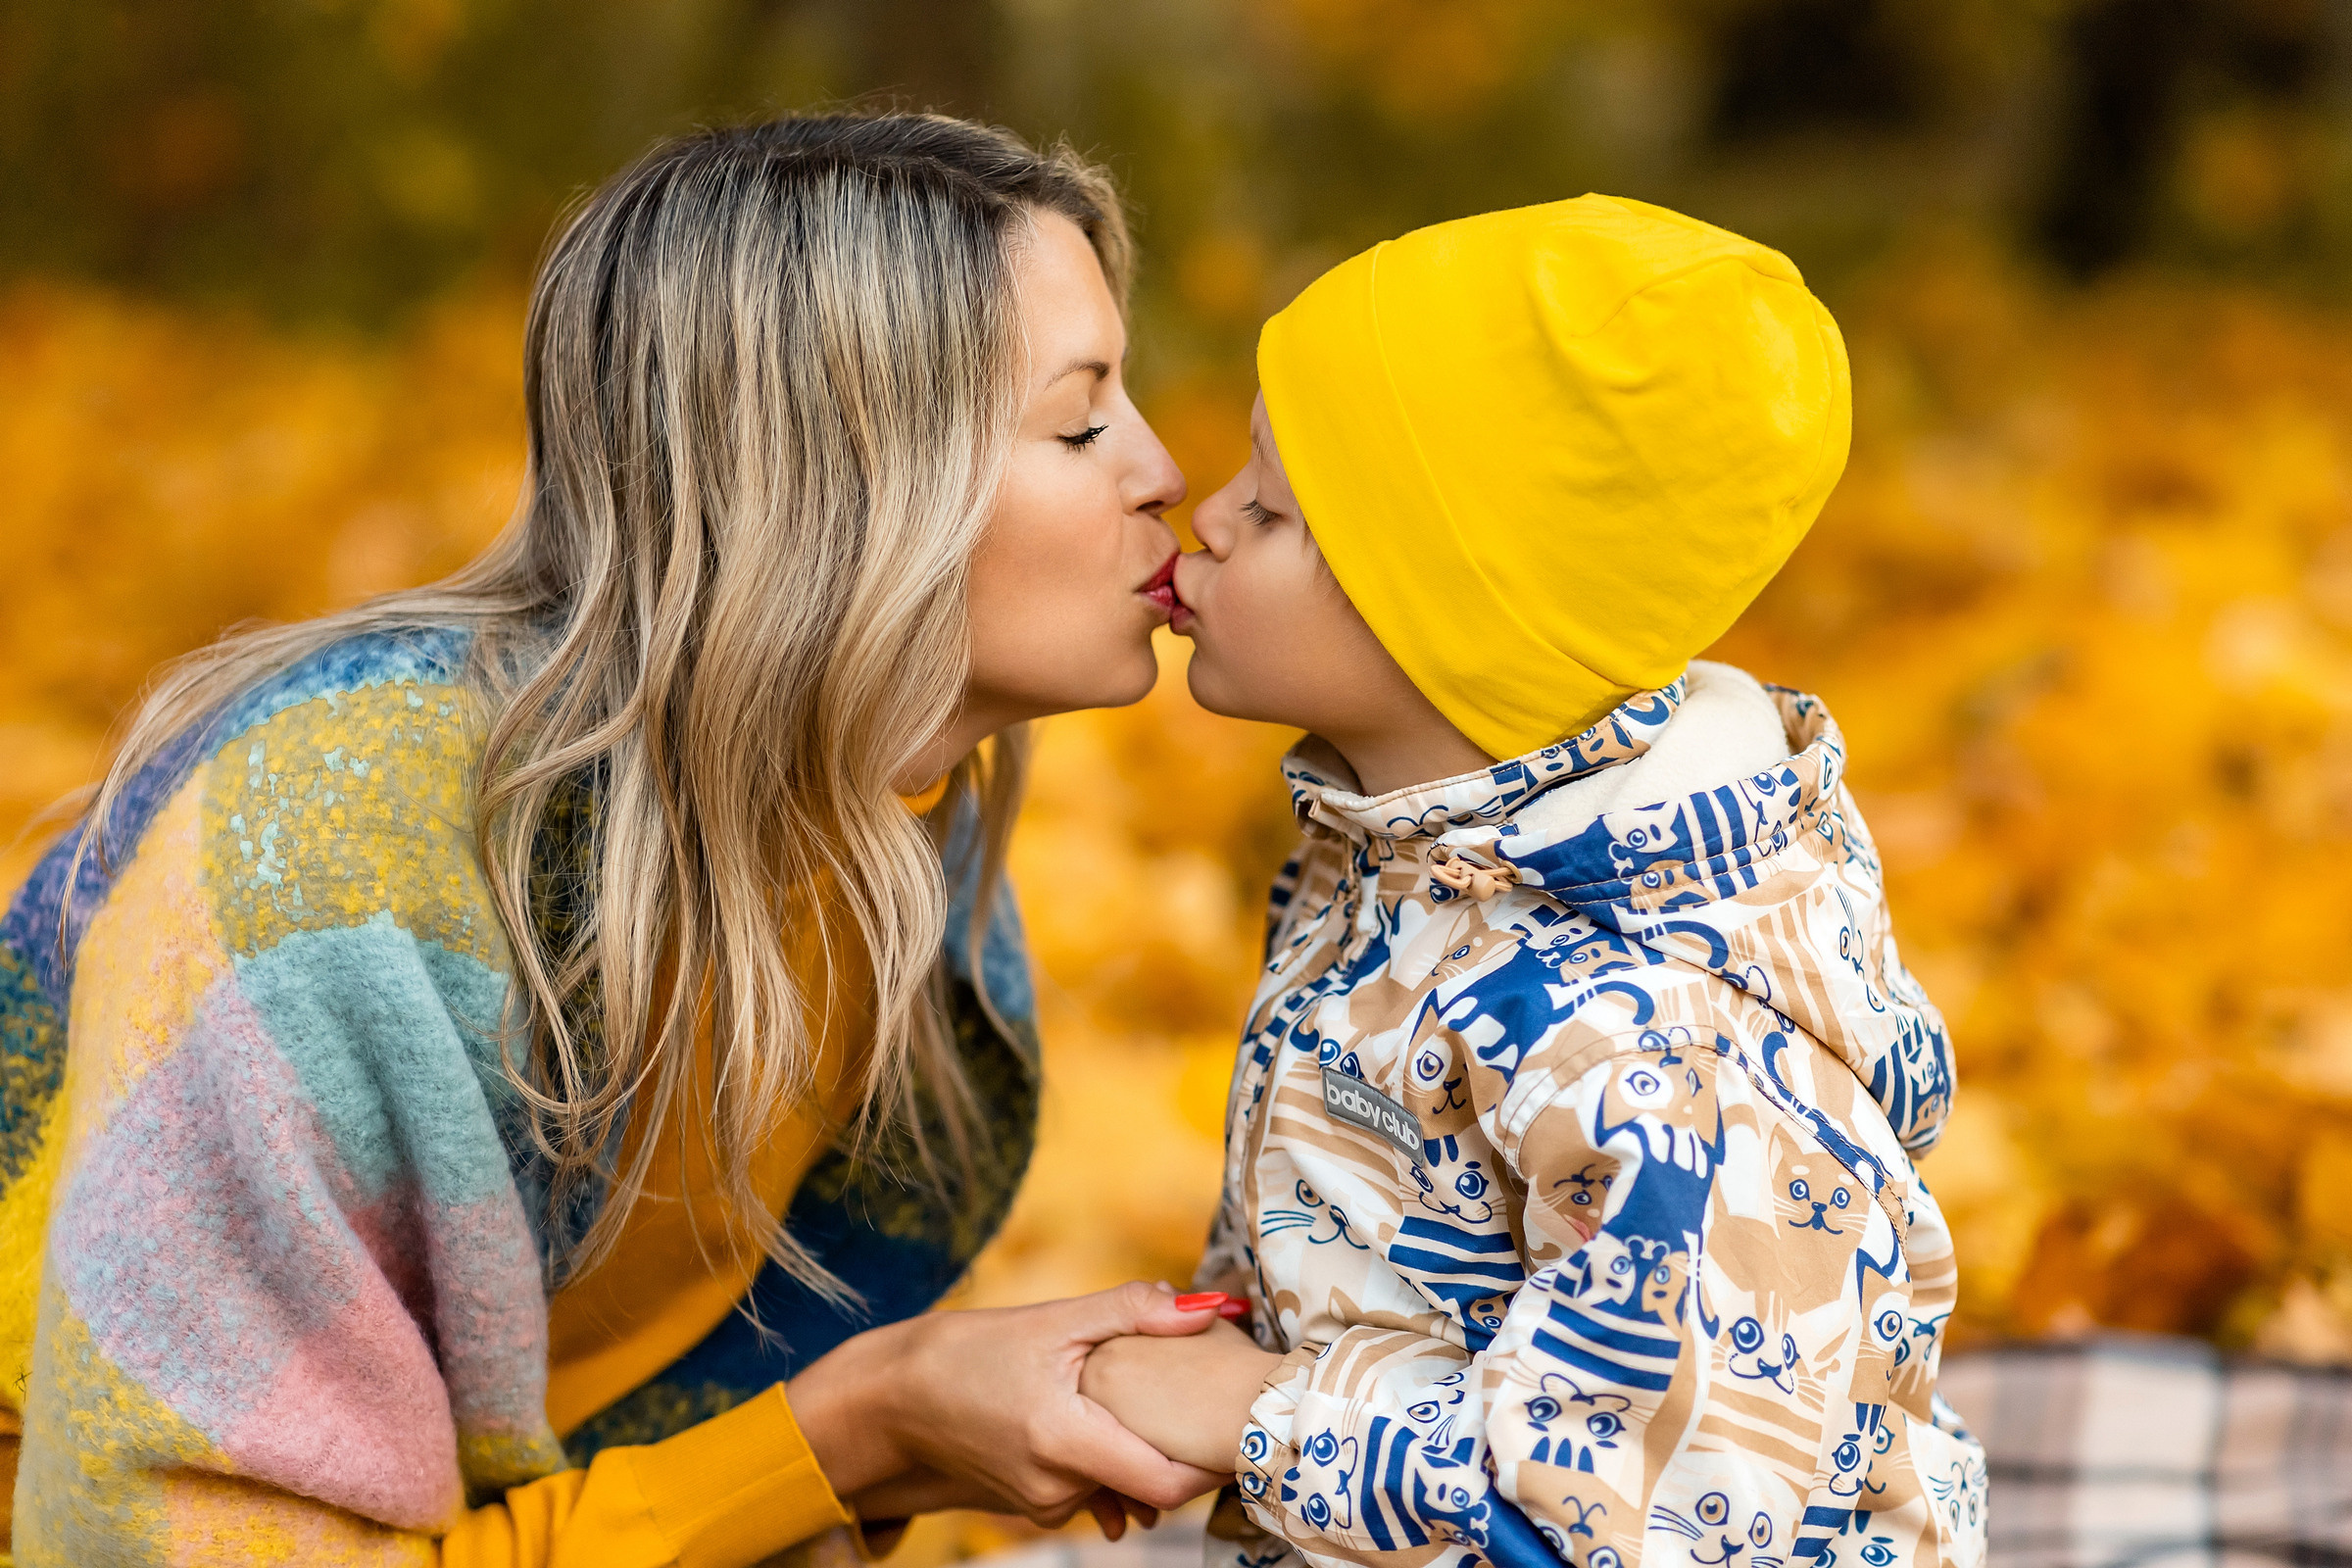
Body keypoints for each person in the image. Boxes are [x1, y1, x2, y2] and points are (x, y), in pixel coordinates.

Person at [0, 112, 1236, 1565]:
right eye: (1082, 419)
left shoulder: (896, 868)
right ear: (830, 477)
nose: (1164, 470)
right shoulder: (334, 879)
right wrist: (859, 1432)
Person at [1080, 197, 1990, 1568]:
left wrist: (1258, 1415)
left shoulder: (1650, 1044)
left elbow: (1651, 1519)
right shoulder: (1411, 859)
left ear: (1434, 615)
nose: (1203, 512)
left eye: (1268, 506)